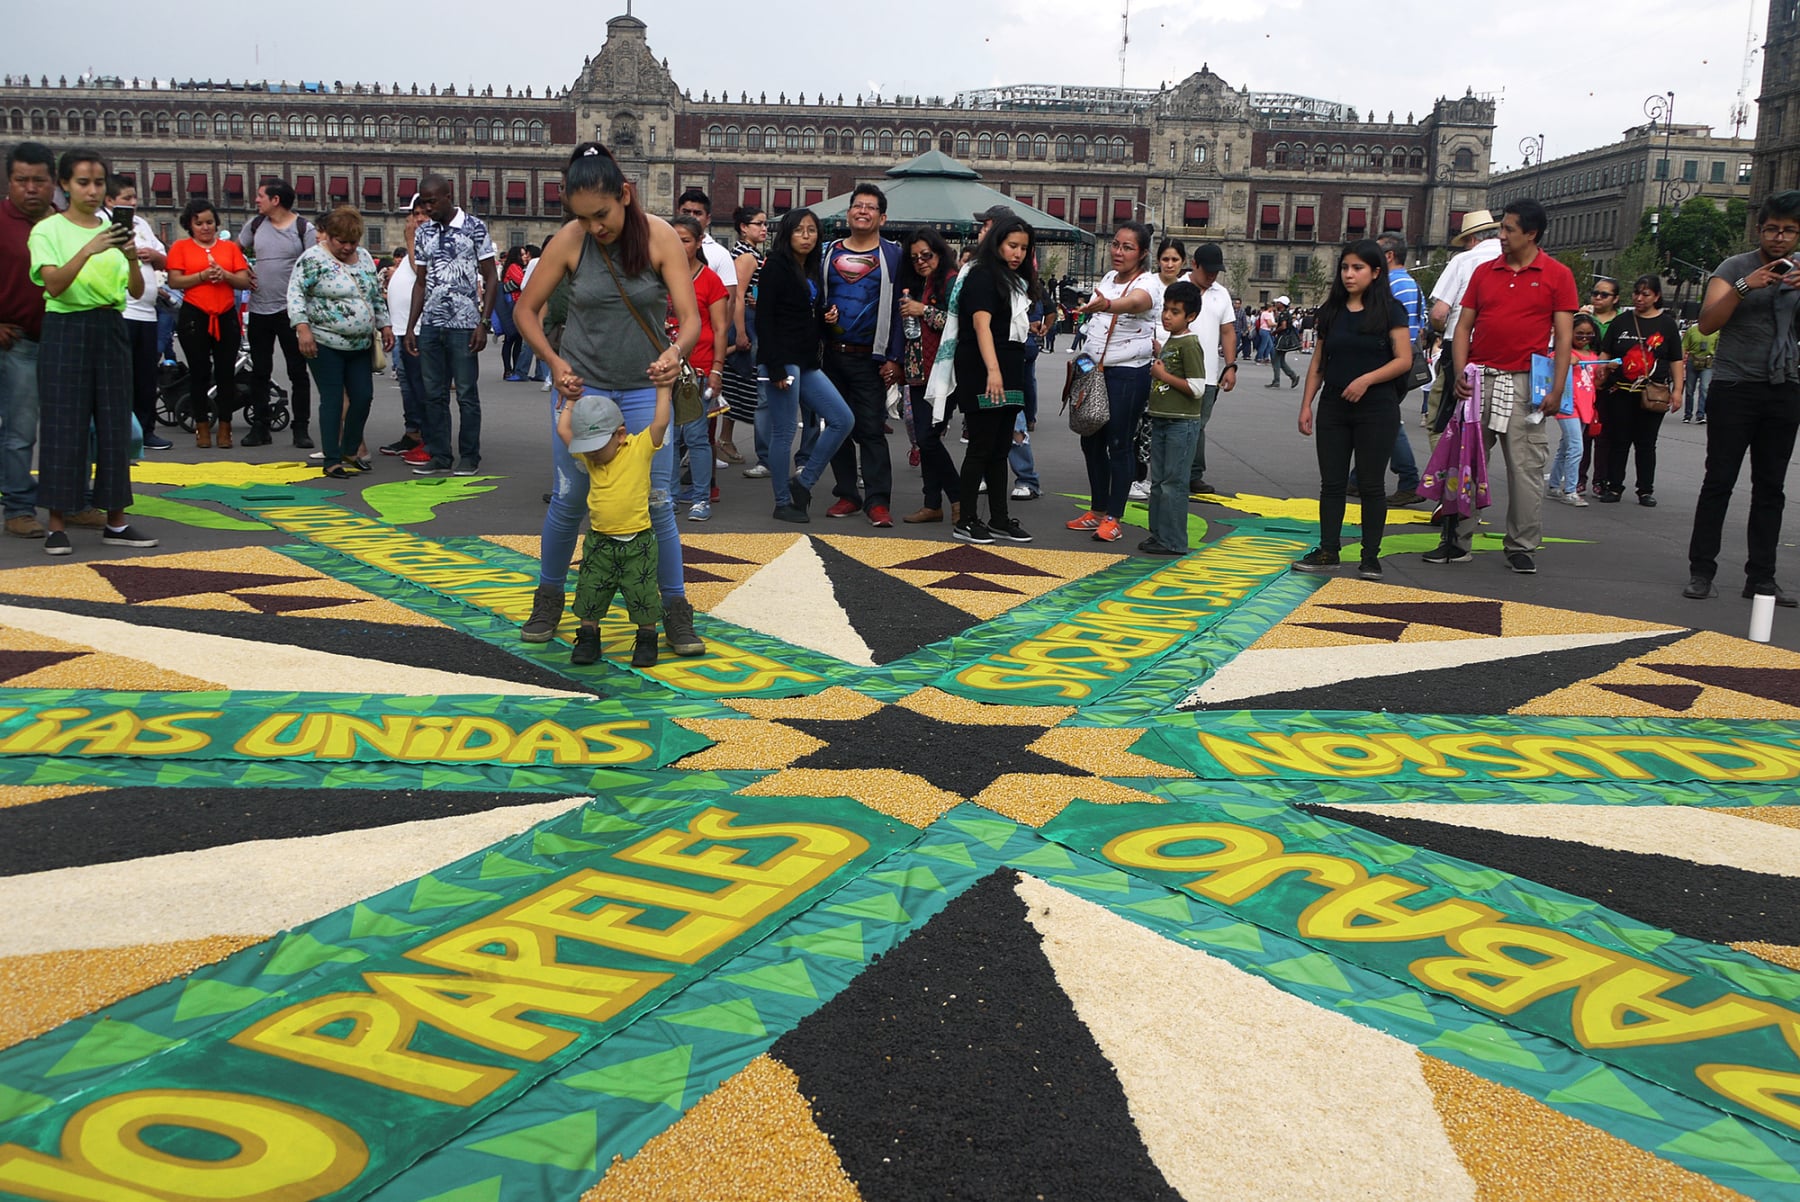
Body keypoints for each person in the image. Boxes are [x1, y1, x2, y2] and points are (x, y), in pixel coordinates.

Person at [515, 142, 705, 657]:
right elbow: (526, 311)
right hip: (587, 390)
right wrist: (555, 365)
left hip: (646, 388)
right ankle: (549, 597)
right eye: (583, 218)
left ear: (626, 194)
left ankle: (675, 609)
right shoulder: (570, 240)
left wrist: (674, 352)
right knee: (571, 498)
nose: (595, 228)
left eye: (602, 215)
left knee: (658, 503)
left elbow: (690, 319)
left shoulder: (662, 236)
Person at [1427, 199, 1577, 574]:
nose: (1502, 235)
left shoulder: (1557, 274)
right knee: (1466, 462)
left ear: (1532, 233)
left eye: (1509, 229)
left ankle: (1522, 543)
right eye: (1501, 228)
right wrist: (1462, 372)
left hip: (1526, 382)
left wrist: (1557, 389)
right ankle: (1456, 540)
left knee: (1525, 466)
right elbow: (1462, 326)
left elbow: (1563, 337)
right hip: (1480, 377)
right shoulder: (1484, 271)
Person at [27, 147, 156, 556]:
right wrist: (89, 249)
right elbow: (54, 285)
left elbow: (136, 290)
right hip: (66, 324)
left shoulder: (115, 229)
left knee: (116, 424)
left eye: (99, 183)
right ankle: (57, 522)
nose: (93, 191)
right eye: (83, 182)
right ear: (64, 184)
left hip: (111, 323)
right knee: (66, 424)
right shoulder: (48, 230)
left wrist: (131, 257)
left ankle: (115, 520)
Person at [1684, 191, 1800, 605]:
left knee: (1771, 487)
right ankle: (1702, 571)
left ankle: (1762, 579)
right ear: (1760, 229)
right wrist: (1744, 287)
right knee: (1719, 480)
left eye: (1789, 231)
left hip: (1784, 387)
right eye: (1772, 229)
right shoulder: (1734, 268)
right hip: (1734, 387)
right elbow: (1708, 321)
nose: (1780, 238)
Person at [1292, 240, 1412, 580]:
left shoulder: (1391, 310)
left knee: (1372, 484)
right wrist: (1306, 406)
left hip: (1377, 407)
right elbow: (1318, 362)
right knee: (1331, 483)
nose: (1349, 274)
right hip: (1333, 405)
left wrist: (1366, 380)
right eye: (1345, 267)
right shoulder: (1332, 310)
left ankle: (1370, 556)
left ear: (1376, 272)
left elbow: (1403, 359)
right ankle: (1329, 548)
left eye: (1357, 268)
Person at [754, 208, 853, 522]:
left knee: (842, 419)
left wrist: (826, 317)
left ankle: (804, 483)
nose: (806, 236)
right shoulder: (776, 267)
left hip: (807, 360)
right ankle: (783, 502)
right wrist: (777, 367)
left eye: (812, 231)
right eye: (799, 230)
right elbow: (765, 320)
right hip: (782, 361)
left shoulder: (809, 267)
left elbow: (805, 314)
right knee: (784, 433)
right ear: (787, 234)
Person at [558, 390, 669, 669]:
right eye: (588, 449)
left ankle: (646, 639)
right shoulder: (590, 457)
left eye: (597, 448)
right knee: (590, 591)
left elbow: (660, 424)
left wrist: (664, 389)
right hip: (600, 542)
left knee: (642, 594)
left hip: (639, 542)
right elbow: (563, 429)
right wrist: (569, 401)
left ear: (620, 435)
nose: (592, 456)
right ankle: (588, 638)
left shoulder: (638, 449)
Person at [1068, 222, 1162, 543]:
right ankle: (1096, 510)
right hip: (1094, 371)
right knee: (1090, 440)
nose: (1118, 252)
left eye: (1127, 247)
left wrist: (1108, 305)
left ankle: (1114, 517)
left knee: (1119, 444)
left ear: (1143, 253)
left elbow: (1136, 303)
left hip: (1127, 374)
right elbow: (1095, 326)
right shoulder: (1108, 279)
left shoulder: (1150, 282)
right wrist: (1081, 365)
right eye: (1115, 245)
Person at [946, 214, 1037, 545]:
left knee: (1001, 449)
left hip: (1010, 369)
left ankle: (998, 518)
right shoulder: (982, 275)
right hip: (984, 371)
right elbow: (981, 326)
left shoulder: (1014, 280)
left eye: (1024, 248)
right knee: (981, 448)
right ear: (996, 242)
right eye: (1012, 245)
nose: (1018, 253)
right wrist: (994, 371)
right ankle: (966, 519)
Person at [820, 183, 905, 528]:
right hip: (830, 357)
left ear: (882, 217)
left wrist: (895, 357)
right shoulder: (827, 252)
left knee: (870, 429)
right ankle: (847, 494)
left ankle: (877, 500)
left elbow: (901, 310)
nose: (863, 211)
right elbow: (811, 296)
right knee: (837, 427)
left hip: (871, 357)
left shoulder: (894, 256)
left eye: (871, 207)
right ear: (848, 212)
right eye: (858, 205)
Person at [287, 205, 393, 480]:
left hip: (360, 344)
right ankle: (333, 459)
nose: (347, 247)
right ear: (328, 237)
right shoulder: (313, 259)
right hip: (324, 342)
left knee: (363, 397)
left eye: (352, 242)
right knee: (333, 400)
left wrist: (386, 324)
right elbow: (296, 294)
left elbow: (373, 295)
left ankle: (350, 448)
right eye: (341, 241)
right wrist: (303, 329)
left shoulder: (366, 258)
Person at [404, 174, 498, 477]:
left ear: (448, 196)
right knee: (433, 393)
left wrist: (484, 322)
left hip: (464, 323)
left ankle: (469, 455)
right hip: (431, 323)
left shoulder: (474, 228)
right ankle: (440, 454)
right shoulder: (423, 233)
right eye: (423, 202)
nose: (427, 207)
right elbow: (421, 282)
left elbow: (491, 277)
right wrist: (411, 326)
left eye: (432, 201)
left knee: (467, 392)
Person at [0, 141, 56, 538]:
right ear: (10, 181)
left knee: (71, 427)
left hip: (64, 339)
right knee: (20, 430)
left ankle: (72, 500)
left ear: (54, 183)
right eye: (22, 180)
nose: (31, 188)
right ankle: (18, 507)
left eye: (39, 180)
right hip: (16, 341)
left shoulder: (63, 222)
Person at [165, 199, 252, 448]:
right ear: (190, 225)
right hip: (195, 315)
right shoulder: (181, 247)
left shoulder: (230, 249)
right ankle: (202, 426)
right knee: (200, 373)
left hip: (225, 314)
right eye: (199, 223)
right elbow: (174, 281)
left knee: (226, 373)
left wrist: (224, 275)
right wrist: (202, 276)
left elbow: (244, 281)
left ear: (216, 223)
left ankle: (225, 427)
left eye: (209, 222)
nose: (205, 227)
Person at [238, 179, 314, 448]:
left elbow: (315, 264)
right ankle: (260, 426)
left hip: (290, 311)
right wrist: (243, 270)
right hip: (259, 308)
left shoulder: (304, 228)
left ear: (276, 200)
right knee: (260, 370)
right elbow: (235, 252)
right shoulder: (255, 225)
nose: (256, 200)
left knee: (297, 371)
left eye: (260, 196)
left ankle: (301, 428)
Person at [1595, 275, 1681, 507]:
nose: (1639, 298)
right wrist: (1603, 369)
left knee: (1646, 442)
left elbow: (1675, 360)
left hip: (1652, 392)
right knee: (1618, 440)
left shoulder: (1667, 324)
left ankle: (1645, 489)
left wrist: (1678, 391)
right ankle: (1614, 486)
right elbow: (1606, 352)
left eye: (1646, 294)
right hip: (1621, 391)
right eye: (1636, 293)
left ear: (1656, 296)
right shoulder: (1622, 321)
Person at [1141, 279, 1209, 556]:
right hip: (1161, 418)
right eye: (1166, 309)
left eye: (1175, 311)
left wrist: (1163, 375)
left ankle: (1174, 541)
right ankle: (1158, 535)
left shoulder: (1190, 344)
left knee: (1173, 483)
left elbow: (1197, 388)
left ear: (1190, 316)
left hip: (1181, 422)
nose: (1167, 316)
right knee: (1158, 482)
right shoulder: (1173, 340)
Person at [1424, 210, 1505, 442]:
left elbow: (1439, 312)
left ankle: (1447, 473)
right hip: (1499, 350)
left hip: (1459, 346)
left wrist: (1440, 329)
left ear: (1472, 239)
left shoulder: (1463, 260)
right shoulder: (1512, 260)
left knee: (1441, 417)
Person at [668, 213, 728, 521]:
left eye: (686, 240)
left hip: (700, 370)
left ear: (699, 242)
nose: (679, 246)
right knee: (667, 437)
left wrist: (717, 369)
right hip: (664, 370)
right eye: (674, 239)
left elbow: (720, 328)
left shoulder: (710, 280)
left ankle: (701, 497)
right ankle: (669, 495)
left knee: (695, 436)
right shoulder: (659, 276)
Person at [104, 176, 170, 451]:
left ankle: (146, 430)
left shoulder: (141, 223)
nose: (132, 203)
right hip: (123, 309)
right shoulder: (103, 223)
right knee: (121, 376)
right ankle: (120, 430)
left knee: (146, 375)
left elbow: (164, 257)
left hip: (148, 310)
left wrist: (152, 255)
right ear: (109, 200)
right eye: (126, 198)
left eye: (134, 198)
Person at [900, 226, 958, 524]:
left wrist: (923, 310)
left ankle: (958, 497)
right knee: (924, 440)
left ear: (939, 253)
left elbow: (957, 325)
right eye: (914, 258)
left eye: (926, 255)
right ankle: (931, 502)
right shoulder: (921, 284)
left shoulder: (950, 282)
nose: (921, 261)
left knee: (929, 438)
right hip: (919, 372)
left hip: (944, 372)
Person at [1182, 242, 1239, 494]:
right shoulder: (1177, 287)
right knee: (1174, 422)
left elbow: (1227, 331)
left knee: (1199, 424)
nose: (1212, 276)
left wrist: (1230, 366)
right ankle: (1172, 471)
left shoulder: (1221, 294)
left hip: (1207, 374)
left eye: (1216, 271)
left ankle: (1193, 474)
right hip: (1174, 371)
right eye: (1208, 271)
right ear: (1195, 264)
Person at [380, 195, 431, 459]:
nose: (416, 220)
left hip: (419, 329)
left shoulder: (428, 243)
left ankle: (426, 437)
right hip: (404, 328)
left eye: (423, 213)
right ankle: (413, 433)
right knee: (408, 385)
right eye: (414, 214)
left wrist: (411, 241)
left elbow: (421, 271)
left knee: (419, 386)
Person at [1376, 233, 1424, 505]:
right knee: (1378, 417)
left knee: (1388, 419)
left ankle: (1408, 479)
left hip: (1389, 358)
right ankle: (1359, 478)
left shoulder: (1388, 285)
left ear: (1390, 255)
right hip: (1407, 358)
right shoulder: (1413, 285)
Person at [721, 206, 766, 470]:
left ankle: (725, 440)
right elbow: (736, 294)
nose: (763, 228)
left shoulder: (742, 252)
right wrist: (740, 331)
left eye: (764, 224)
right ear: (743, 227)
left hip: (745, 321)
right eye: (758, 224)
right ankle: (725, 440)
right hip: (744, 325)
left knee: (736, 383)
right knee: (740, 383)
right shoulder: (747, 255)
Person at [1548, 313, 1602, 508]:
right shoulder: (1562, 354)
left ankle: (1554, 486)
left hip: (1585, 408)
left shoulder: (1594, 357)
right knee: (1576, 447)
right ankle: (1570, 490)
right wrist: (1565, 360)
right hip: (1567, 406)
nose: (1584, 338)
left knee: (1566, 447)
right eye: (1579, 334)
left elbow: (1597, 382)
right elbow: (1551, 361)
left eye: (1589, 334)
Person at [676, 187, 738, 284]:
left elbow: (729, 296)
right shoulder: (663, 246)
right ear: (678, 213)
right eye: (686, 212)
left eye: (697, 213)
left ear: (708, 219)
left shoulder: (721, 255)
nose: (691, 217)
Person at [498, 246, 526, 379]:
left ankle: (512, 369)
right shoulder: (514, 267)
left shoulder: (515, 267)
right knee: (512, 339)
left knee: (514, 340)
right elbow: (522, 282)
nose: (525, 256)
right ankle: (509, 369)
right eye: (522, 254)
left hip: (515, 305)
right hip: (513, 305)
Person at [1682, 319, 1717, 424]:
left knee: (1704, 388)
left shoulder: (1716, 332)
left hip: (1708, 362)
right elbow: (1684, 346)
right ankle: (1688, 414)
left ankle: (1701, 414)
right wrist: (1681, 362)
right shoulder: (1692, 330)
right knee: (1689, 389)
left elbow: (1719, 348)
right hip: (1693, 361)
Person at [1267, 295, 1300, 387]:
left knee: (1276, 359)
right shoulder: (1285, 313)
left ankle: (1277, 380)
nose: (1276, 304)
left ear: (1281, 304)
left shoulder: (1283, 314)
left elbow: (1283, 326)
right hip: (1286, 338)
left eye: (1278, 303)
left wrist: (1275, 332)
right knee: (1281, 361)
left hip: (1282, 339)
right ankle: (1292, 376)